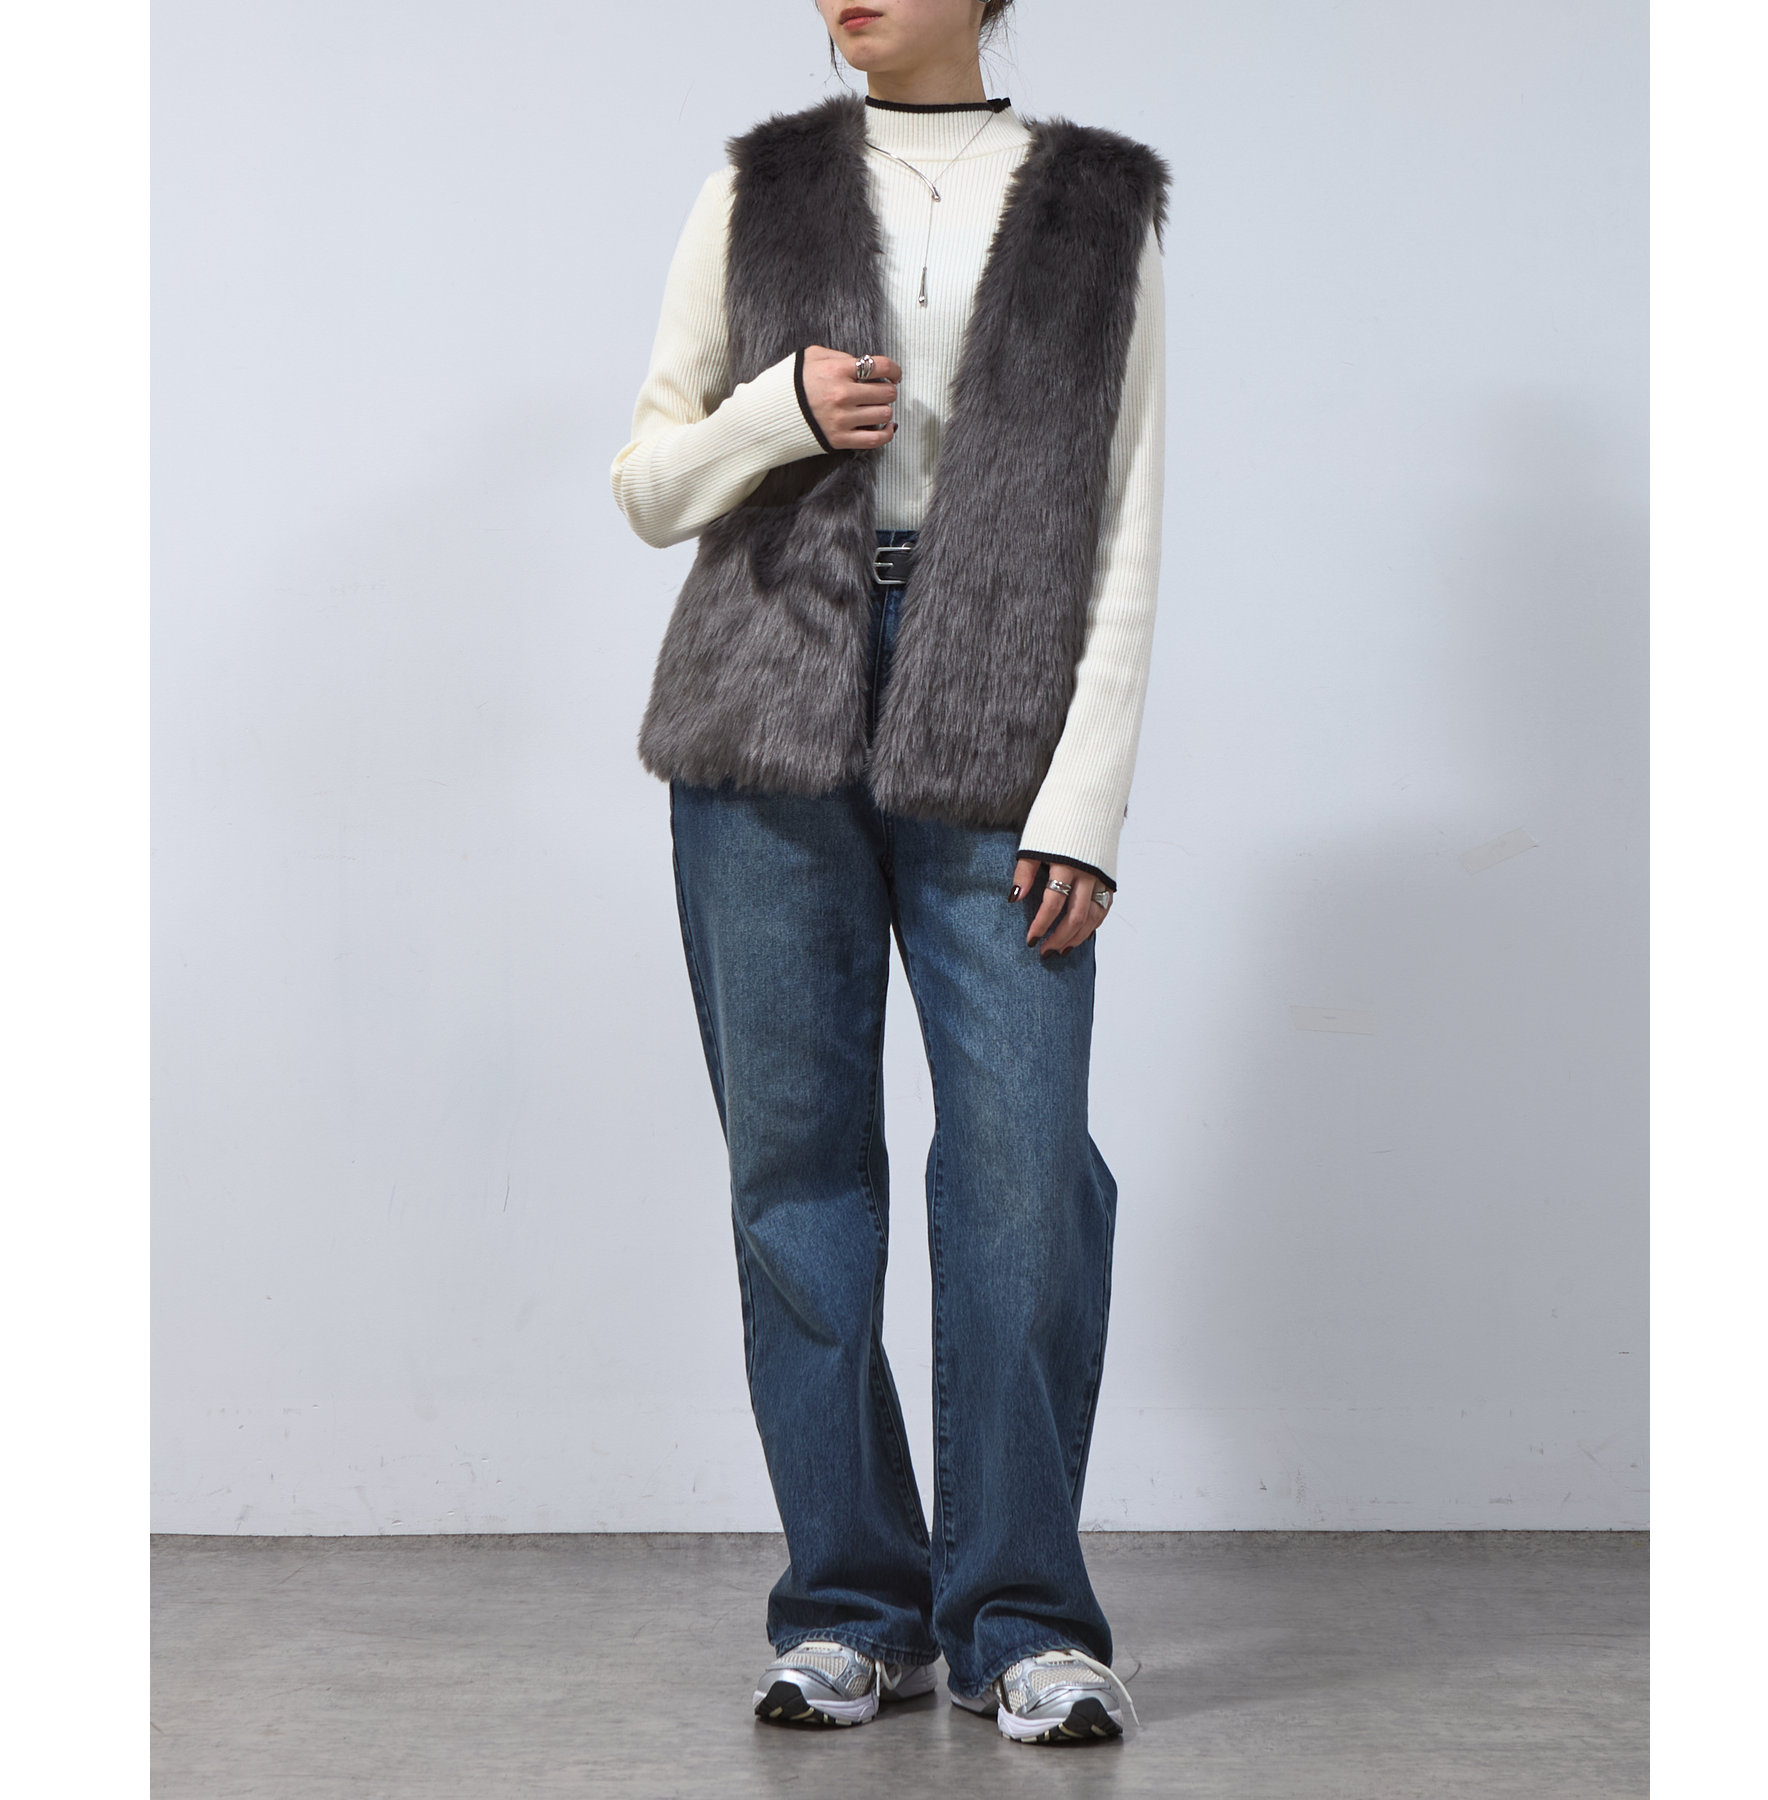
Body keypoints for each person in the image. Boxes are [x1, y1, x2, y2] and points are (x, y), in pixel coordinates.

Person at [611, 0, 1167, 1747]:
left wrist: (1085, 802)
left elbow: (1129, 520)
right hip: (762, 707)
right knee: (795, 1173)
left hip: (1001, 704)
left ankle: (1023, 1617)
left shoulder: (1093, 204)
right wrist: (775, 411)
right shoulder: (757, 186)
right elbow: (648, 484)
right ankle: (853, 1607)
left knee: (1025, 1170)